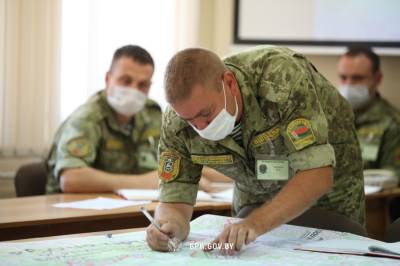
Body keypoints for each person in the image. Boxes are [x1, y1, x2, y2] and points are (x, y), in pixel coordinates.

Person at [146, 47, 365, 254]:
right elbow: (174, 198)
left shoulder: (280, 79)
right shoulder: (176, 121)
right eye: (190, 120)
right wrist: (170, 224)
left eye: (206, 113)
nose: (201, 127)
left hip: (330, 192)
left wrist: (255, 223)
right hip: (255, 192)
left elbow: (318, 176)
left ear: (229, 84)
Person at [46, 45, 162, 193]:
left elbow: (174, 158)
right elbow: (71, 179)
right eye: (126, 81)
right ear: (108, 79)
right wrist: (145, 182)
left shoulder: (152, 114)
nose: (134, 90)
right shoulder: (88, 117)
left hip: (132, 206)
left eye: (142, 85)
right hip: (76, 210)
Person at [337, 46, 400, 221]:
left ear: (377, 79)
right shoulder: (331, 115)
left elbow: (393, 179)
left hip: (369, 212)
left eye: (357, 78)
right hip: (327, 204)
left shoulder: (392, 123)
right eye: (343, 77)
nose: (348, 84)